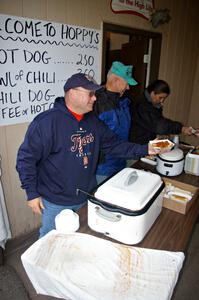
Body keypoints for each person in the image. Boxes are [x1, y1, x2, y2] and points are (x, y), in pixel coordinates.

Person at [16, 73, 164, 238]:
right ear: (72, 93)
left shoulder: (92, 121)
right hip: (55, 201)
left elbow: (115, 145)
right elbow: (26, 159)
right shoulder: (46, 122)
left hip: (86, 195)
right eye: (91, 94)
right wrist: (32, 193)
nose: (95, 98)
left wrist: (146, 149)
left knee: (80, 236)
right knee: (50, 239)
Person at [93, 61, 137, 184]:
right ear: (116, 80)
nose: (128, 87)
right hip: (103, 168)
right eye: (126, 83)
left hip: (121, 161)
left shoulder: (123, 102)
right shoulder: (97, 103)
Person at [130, 79, 195, 144]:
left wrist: (163, 132)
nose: (162, 101)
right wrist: (181, 128)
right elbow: (159, 125)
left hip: (147, 140)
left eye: (164, 98)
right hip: (138, 144)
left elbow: (156, 122)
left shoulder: (152, 103)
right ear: (152, 93)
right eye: (160, 97)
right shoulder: (142, 106)